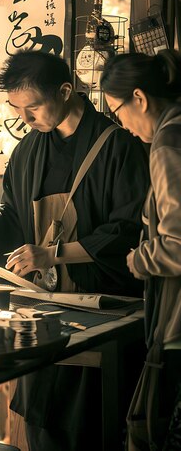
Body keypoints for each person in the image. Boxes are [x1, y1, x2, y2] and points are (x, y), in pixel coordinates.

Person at [0, 50, 150, 451]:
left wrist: (52, 254)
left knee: (91, 425)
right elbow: (11, 209)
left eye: (34, 107)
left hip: (101, 311)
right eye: (17, 108)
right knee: (41, 421)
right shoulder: (27, 151)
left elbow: (126, 230)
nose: (26, 118)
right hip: (41, 310)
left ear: (65, 90)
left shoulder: (119, 146)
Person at [101, 50, 181, 450]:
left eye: (118, 111)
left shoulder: (168, 144)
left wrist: (139, 258)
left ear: (140, 98)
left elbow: (179, 245)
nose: (123, 125)